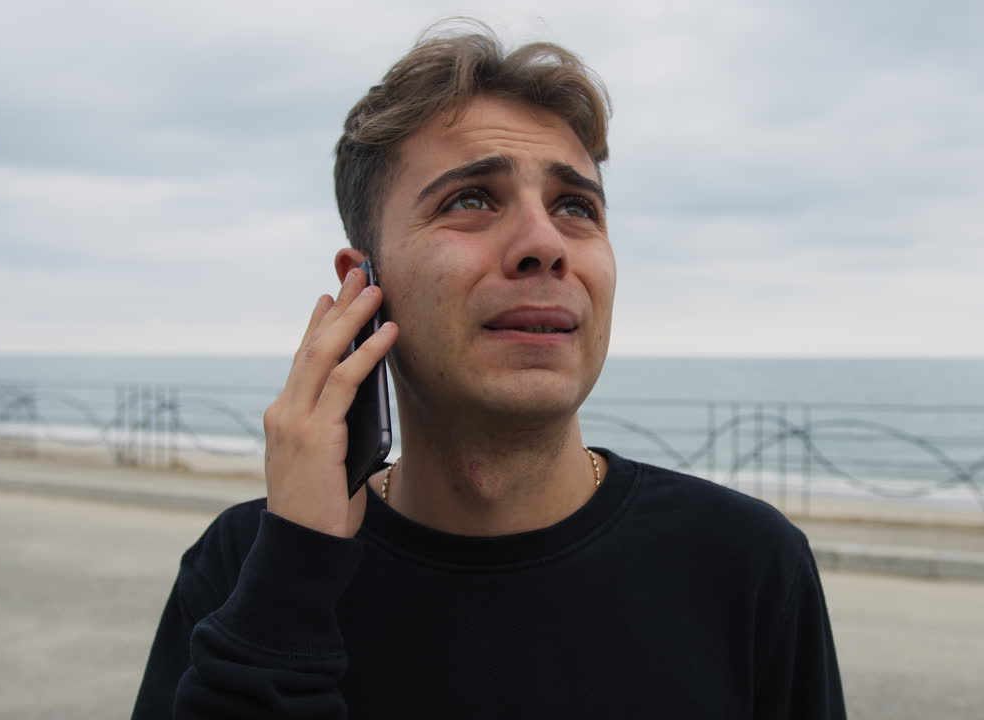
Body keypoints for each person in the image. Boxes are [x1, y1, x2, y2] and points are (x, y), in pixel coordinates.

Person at [132, 21, 846, 719]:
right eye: (470, 200)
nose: (545, 243)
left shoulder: (745, 564)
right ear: (362, 285)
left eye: (576, 207)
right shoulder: (249, 566)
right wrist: (293, 578)